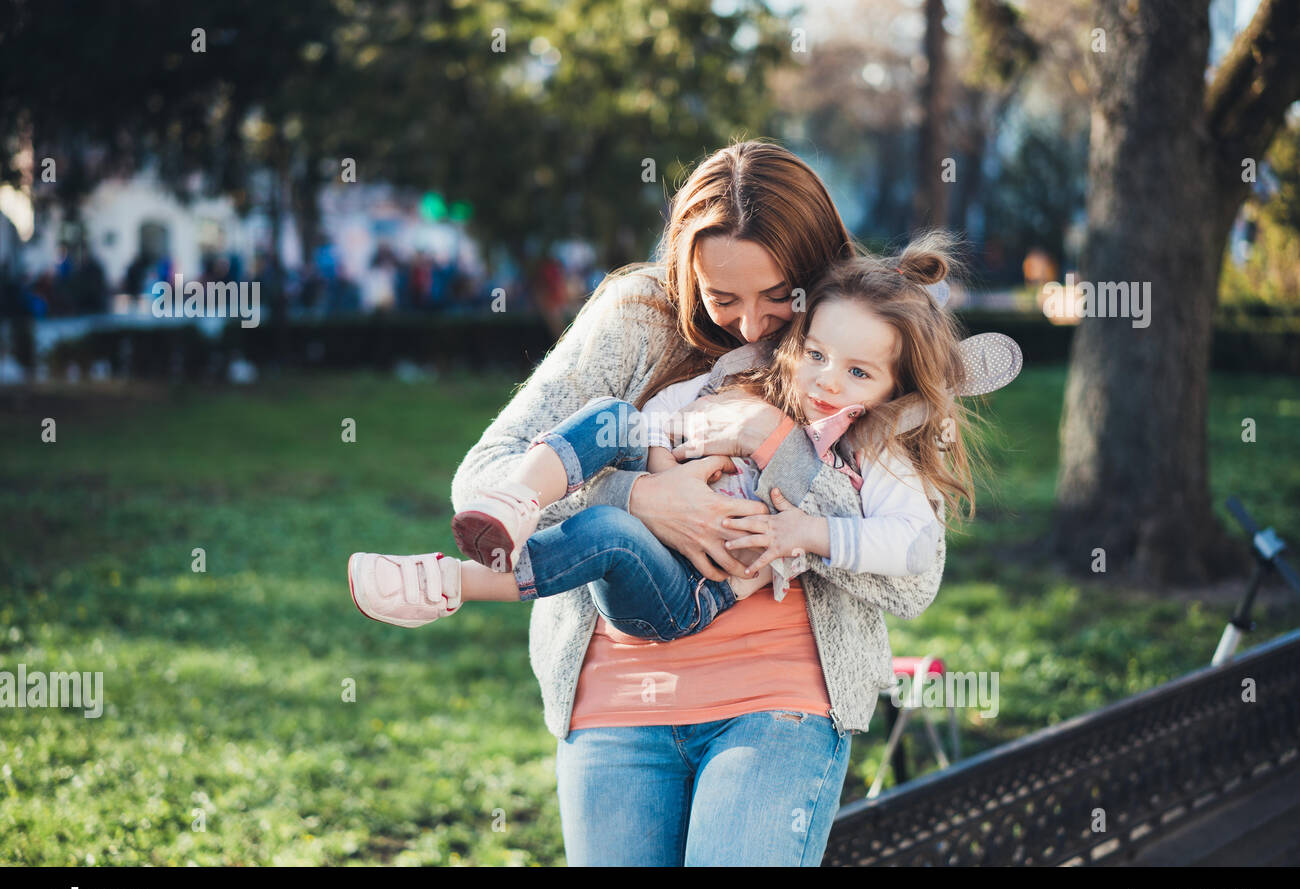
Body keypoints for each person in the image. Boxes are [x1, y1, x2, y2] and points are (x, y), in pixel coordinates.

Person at [372, 141, 979, 865]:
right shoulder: (636, 318)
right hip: (617, 700)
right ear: (688, 270)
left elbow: (913, 577)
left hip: (779, 705)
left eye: (777, 297)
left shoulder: (854, 338)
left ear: (815, 270)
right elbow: (483, 478)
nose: (750, 326)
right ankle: (454, 581)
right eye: (722, 298)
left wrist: (770, 440)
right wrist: (642, 496)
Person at [349, 245, 1018, 642]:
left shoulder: (875, 449)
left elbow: (912, 546)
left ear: (897, 386)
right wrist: (660, 467)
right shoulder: (757, 382)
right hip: (655, 511)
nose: (826, 380)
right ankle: (516, 502)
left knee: (609, 533)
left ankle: (450, 583)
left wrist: (809, 532)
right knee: (612, 416)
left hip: (687, 593)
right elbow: (663, 416)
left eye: (859, 373)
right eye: (816, 354)